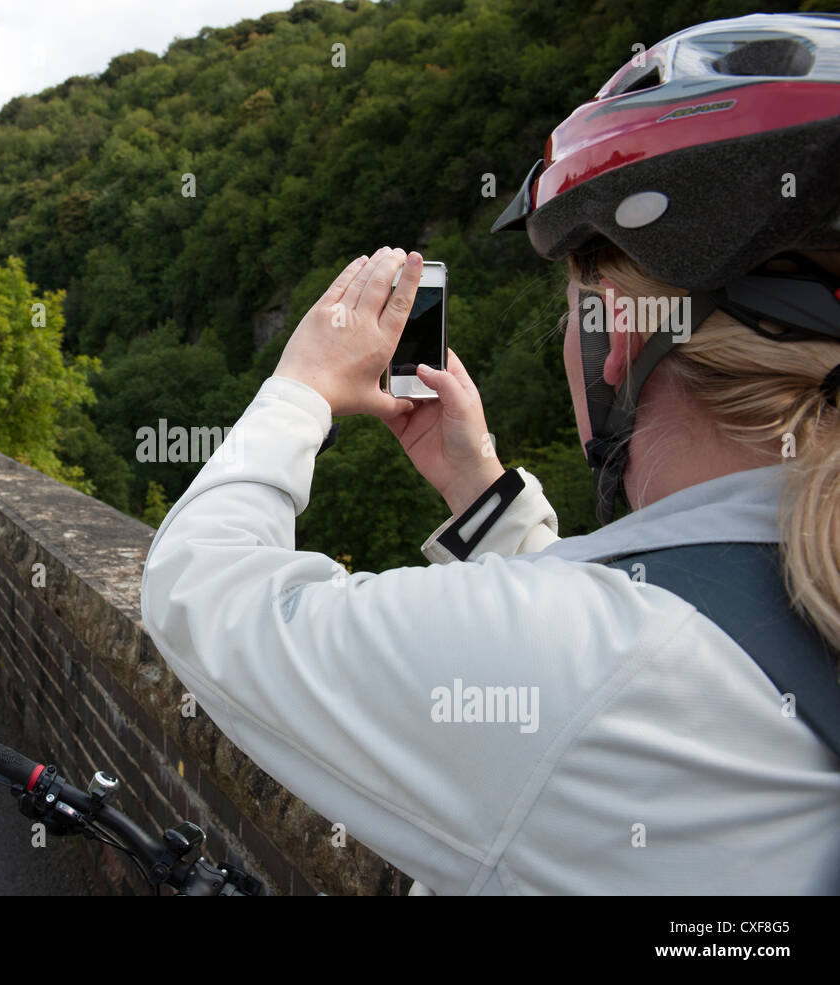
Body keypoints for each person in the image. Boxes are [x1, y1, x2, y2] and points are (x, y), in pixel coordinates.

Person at [139, 12, 840, 894]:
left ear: (617, 335)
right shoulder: (722, 617)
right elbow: (646, 638)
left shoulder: (609, 669)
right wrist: (476, 483)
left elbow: (201, 593)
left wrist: (302, 388)